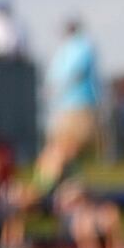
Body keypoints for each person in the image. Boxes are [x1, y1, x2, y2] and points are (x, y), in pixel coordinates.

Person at [35, 17, 99, 189]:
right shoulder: (68, 49)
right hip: (66, 107)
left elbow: (75, 74)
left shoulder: (80, 47)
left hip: (76, 105)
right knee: (62, 149)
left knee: (65, 149)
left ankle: (51, 187)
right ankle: (49, 188)